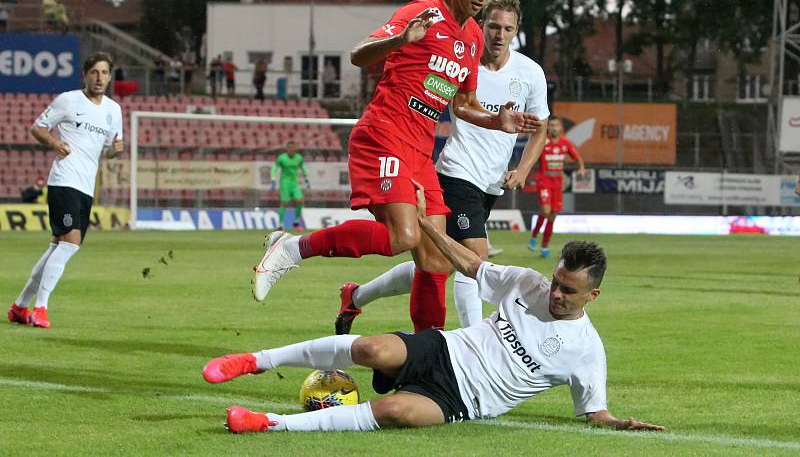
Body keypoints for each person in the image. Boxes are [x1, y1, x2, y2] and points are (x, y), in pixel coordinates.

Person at [202, 182, 665, 434]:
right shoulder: (529, 282)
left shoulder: (588, 351)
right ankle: (253, 360)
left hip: (463, 400)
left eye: (569, 291)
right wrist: (426, 224)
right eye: (559, 283)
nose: (557, 294)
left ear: (593, 296)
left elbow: (593, 412)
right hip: (445, 350)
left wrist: (620, 423)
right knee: (369, 350)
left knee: (395, 412)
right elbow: (469, 263)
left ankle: (269, 424)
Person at [253, 0, 542, 334]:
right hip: (384, 135)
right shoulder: (420, 14)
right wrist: (400, 41)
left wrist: (498, 121)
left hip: (421, 151)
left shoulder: (472, 37)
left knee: (437, 259)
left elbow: (464, 104)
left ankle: (426, 362)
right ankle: (291, 248)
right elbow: (359, 54)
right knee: (403, 236)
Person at [334, 0, 549, 334]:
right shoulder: (462, 57)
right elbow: (448, 97)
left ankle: (357, 296)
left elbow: (541, 128)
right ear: (483, 26)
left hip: (491, 182)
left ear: (516, 31)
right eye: (493, 26)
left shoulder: (530, 73)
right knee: (474, 261)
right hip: (457, 171)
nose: (499, 34)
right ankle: (473, 342)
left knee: (436, 262)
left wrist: (522, 169)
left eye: (507, 28)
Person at [7, 52, 124, 329]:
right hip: (64, 180)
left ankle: (19, 307)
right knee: (70, 244)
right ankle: (41, 309)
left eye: (104, 73)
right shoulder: (68, 100)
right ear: (85, 74)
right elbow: (39, 128)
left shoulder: (113, 110)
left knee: (57, 247)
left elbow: (107, 151)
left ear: (110, 76)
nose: (99, 78)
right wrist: (55, 144)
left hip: (86, 185)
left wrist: (114, 152)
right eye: (94, 72)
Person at [527, 116, 585, 258]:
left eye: (556, 125)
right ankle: (534, 237)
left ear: (560, 128)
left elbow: (577, 158)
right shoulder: (543, 141)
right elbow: (530, 154)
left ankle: (544, 247)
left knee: (552, 216)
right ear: (548, 127)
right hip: (544, 181)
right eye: (551, 125)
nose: (553, 127)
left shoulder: (565, 143)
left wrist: (581, 168)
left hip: (557, 183)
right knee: (545, 210)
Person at [271, 140, 309, 230]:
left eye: (293, 147)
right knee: (285, 203)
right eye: (290, 148)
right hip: (284, 183)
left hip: (294, 184)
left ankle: (296, 222)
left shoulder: (298, 158)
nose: (291, 149)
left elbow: (303, 166)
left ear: (295, 148)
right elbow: (275, 167)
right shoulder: (282, 158)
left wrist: (306, 177)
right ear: (287, 149)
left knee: (300, 200)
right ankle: (280, 224)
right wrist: (273, 178)